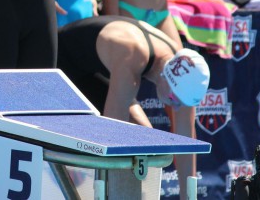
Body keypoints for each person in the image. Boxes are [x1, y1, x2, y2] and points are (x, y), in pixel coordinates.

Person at [57, 15, 210, 200]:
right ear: (165, 77)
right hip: (59, 63)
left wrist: (188, 196)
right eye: (173, 100)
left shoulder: (182, 65)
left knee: (145, 140)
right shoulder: (132, 59)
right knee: (125, 144)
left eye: (181, 103)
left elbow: (186, 137)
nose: (175, 107)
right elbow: (111, 137)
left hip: (91, 68)